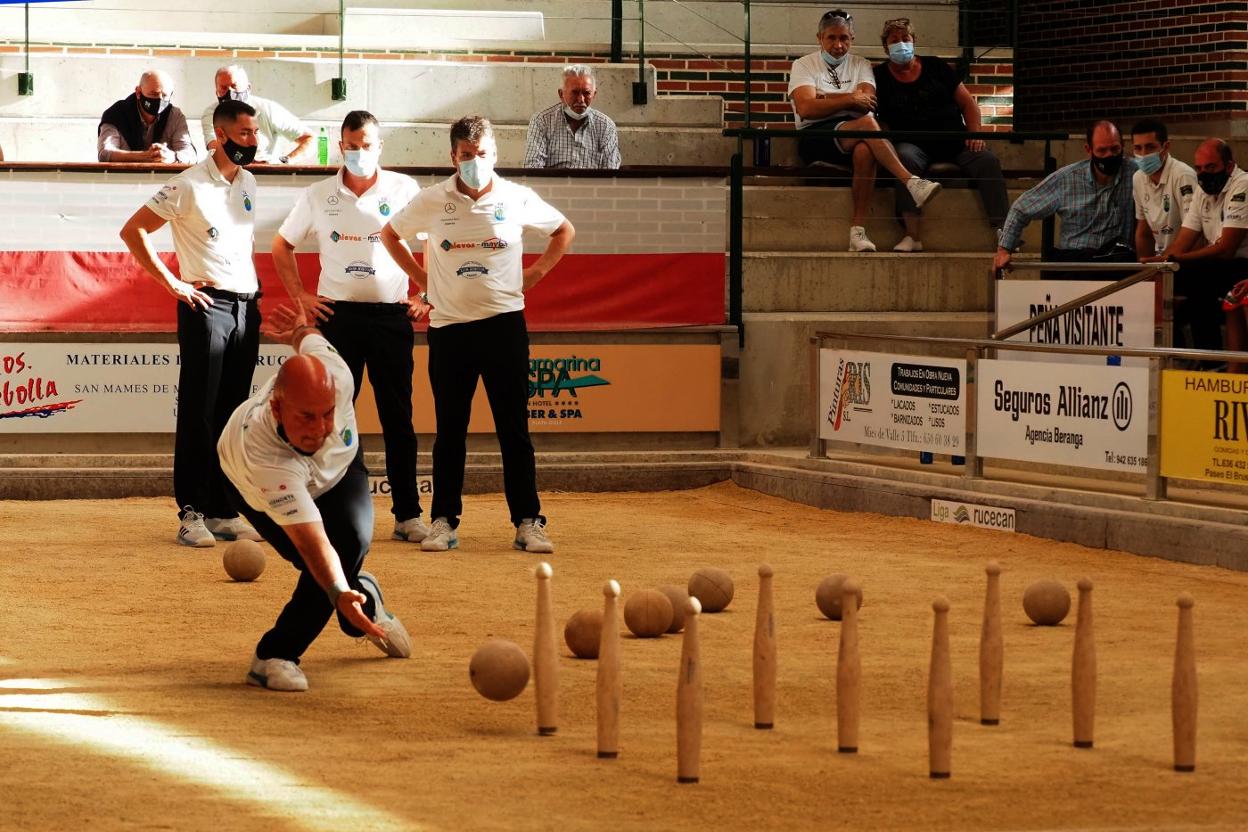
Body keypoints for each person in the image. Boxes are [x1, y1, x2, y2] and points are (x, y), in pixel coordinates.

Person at [380, 115, 575, 554]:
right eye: (467, 156)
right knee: (450, 430)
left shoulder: (517, 197)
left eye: (483, 155)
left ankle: (528, 521)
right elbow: (391, 235)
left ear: (495, 155)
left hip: (504, 325)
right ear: (453, 156)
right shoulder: (432, 200)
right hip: (449, 329)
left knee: (514, 429)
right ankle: (444, 521)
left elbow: (564, 231)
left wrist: (538, 271)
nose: (475, 163)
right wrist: (422, 280)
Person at [218, 306, 412, 692]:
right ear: (277, 407)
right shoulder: (264, 456)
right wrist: (339, 593)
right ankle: (359, 598)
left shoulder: (336, 374)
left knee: (351, 541)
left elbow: (307, 335)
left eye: (327, 415)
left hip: (340, 470)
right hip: (249, 487)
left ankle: (276, 651)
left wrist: (300, 326)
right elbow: (313, 541)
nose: (320, 429)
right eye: (306, 417)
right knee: (322, 567)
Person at [272, 110, 430, 543]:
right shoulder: (318, 194)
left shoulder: (404, 189)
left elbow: (433, 241)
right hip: (335, 318)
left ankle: (408, 514)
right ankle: (323, 506)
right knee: (331, 414)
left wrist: (425, 294)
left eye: (367, 145)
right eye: (352, 145)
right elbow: (281, 245)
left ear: (380, 146)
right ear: (341, 146)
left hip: (391, 317)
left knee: (398, 417)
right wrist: (302, 296)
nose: (360, 152)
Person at [119, 99, 263, 547]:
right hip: (206, 306)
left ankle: (222, 508)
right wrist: (173, 284)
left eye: (255, 133)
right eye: (243, 134)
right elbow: (133, 230)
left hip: (245, 307)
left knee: (232, 413)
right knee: (199, 413)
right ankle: (191, 512)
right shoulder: (188, 185)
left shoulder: (250, 182)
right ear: (219, 136)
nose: (253, 141)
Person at [786, 8, 943, 252]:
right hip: (815, 136)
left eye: (844, 38)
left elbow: (867, 103)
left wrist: (825, 97)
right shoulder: (803, 65)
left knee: (865, 150)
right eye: (832, 38)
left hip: (854, 132)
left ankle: (857, 232)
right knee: (870, 125)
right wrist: (850, 98)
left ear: (852, 39)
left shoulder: (861, 64)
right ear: (820, 38)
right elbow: (806, 108)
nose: (838, 45)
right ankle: (911, 181)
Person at [872, 18, 1008, 252]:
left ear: (914, 42)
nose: (901, 44)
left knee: (988, 161)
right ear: (885, 47)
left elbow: (969, 105)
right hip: (912, 145)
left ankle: (1005, 234)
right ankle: (912, 235)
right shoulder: (879, 77)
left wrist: (975, 133)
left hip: (954, 141)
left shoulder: (937, 67)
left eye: (906, 39)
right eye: (895, 41)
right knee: (903, 159)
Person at [1143, 138, 1248, 362]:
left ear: (1229, 166)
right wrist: (1160, 264)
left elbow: (1226, 249)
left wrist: (1177, 259)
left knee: (1195, 280)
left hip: (1240, 266)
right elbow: (1184, 238)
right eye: (1199, 168)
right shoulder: (1203, 190)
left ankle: (1211, 361)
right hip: (1216, 266)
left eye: (1210, 167)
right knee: (1166, 284)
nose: (1204, 174)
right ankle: (1184, 360)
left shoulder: (1243, 185)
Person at [994, 120, 1137, 273]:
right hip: (1075, 263)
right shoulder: (1066, 179)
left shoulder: (1136, 174)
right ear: (1089, 150)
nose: (1109, 155)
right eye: (1102, 151)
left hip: (1117, 264)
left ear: (1123, 146)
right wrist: (1004, 250)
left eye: (1115, 149)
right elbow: (1021, 208)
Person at [201, 65, 313, 164]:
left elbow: (310, 138)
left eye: (234, 86)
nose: (229, 92)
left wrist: (285, 161)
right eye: (223, 88)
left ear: (248, 88)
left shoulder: (267, 109)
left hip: (266, 177)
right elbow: (215, 148)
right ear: (216, 91)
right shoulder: (211, 114)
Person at [522, 64, 621, 169]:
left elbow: (611, 172)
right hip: (553, 185)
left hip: (593, 185)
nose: (581, 99)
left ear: (594, 94)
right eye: (574, 93)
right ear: (561, 94)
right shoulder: (542, 121)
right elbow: (532, 169)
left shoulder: (606, 126)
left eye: (586, 93)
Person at [1131, 118, 1198, 258]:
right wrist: (1144, 270)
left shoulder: (1183, 176)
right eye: (1138, 148)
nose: (1143, 154)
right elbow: (1143, 233)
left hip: (1185, 260)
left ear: (1165, 147)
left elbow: (1192, 232)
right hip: (1160, 259)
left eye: (1150, 147)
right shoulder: (1138, 178)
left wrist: (1161, 267)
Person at [98, 69, 196, 164]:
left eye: (165, 95)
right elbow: (105, 154)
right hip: (123, 178)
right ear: (138, 92)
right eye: (154, 94)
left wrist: (172, 157)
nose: (160, 100)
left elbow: (190, 155)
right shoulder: (116, 114)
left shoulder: (175, 116)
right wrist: (146, 156)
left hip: (163, 179)